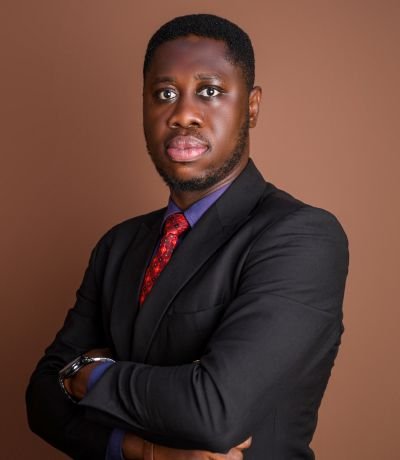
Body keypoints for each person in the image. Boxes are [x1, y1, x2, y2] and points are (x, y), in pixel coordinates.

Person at [26, 14, 349, 460]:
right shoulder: (118, 245)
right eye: (165, 94)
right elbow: (41, 401)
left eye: (209, 91)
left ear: (252, 106)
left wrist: (86, 375)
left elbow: (213, 412)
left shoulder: (300, 237)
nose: (183, 114)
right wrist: (142, 450)